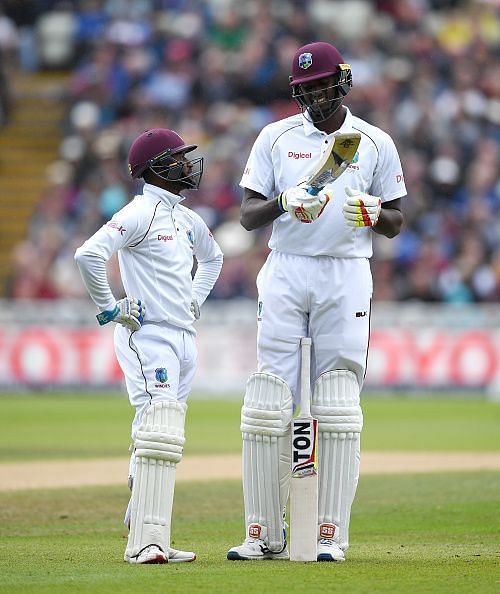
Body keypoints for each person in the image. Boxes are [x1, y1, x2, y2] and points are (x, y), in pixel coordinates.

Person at [227, 41, 406, 562]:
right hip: (285, 268)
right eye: (303, 89)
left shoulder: (374, 142)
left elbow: (397, 221)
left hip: (346, 273)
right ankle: (263, 533)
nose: (313, 96)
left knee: (337, 402)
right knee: (268, 403)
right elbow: (247, 215)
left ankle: (331, 534)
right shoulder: (275, 137)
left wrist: (375, 211)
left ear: (342, 82)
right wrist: (283, 202)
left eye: (321, 85)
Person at [75, 128, 223, 564]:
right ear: (155, 167)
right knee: (158, 425)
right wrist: (111, 309)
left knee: (166, 431)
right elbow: (88, 255)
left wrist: (195, 299)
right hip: (149, 335)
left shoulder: (185, 218)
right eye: (176, 157)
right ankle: (145, 540)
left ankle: (149, 526)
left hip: (183, 337)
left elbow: (214, 259)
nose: (186, 164)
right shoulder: (140, 211)